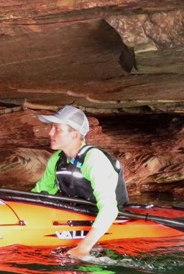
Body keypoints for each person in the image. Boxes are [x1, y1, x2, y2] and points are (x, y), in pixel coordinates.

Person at [32, 105, 128, 259]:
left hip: (106, 218)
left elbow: (109, 209)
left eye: (57, 128)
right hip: (75, 214)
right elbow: (39, 193)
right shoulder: (57, 159)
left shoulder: (94, 159)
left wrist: (83, 247)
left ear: (75, 135)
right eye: (51, 128)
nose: (50, 133)